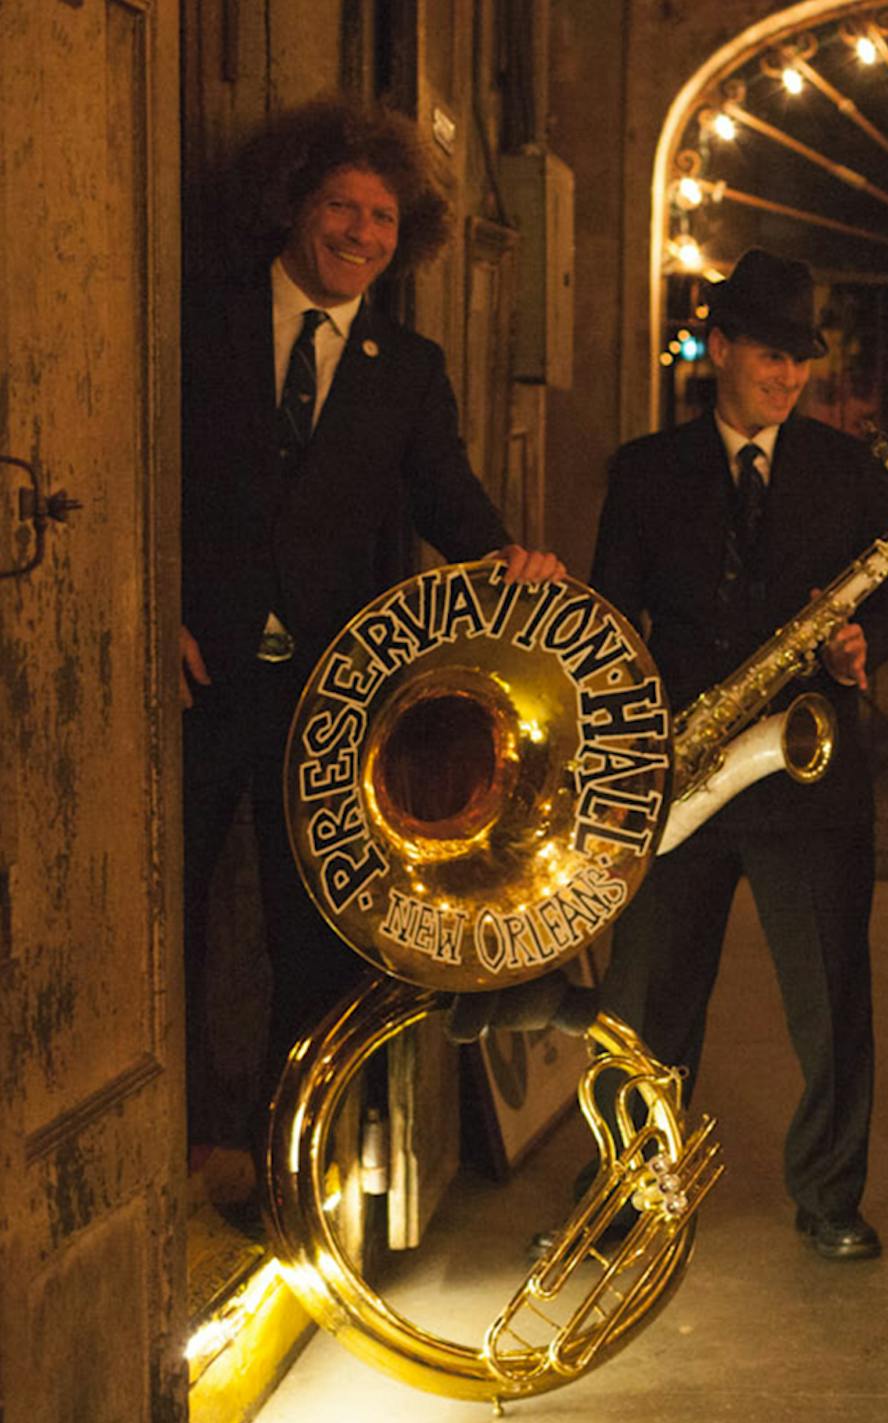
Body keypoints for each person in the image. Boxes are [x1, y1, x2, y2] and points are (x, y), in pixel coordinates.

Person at [179, 98, 563, 1200]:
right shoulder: (202, 320)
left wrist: (507, 557)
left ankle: (286, 1158)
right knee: (181, 920)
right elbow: (140, 470)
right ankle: (190, 1141)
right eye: (342, 207)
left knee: (312, 935)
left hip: (327, 692)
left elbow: (446, 490)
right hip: (197, 679)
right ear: (296, 206)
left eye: (384, 217)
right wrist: (155, 616)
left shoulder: (409, 362)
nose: (360, 232)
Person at [591, 248, 888, 1262]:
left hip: (805, 774)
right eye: (769, 356)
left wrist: (872, 639)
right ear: (719, 346)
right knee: (646, 1004)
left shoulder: (850, 471)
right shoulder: (644, 471)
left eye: (800, 362)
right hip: (681, 774)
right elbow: (612, 618)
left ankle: (829, 1196)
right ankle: (625, 1194)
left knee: (829, 1004)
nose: (786, 378)